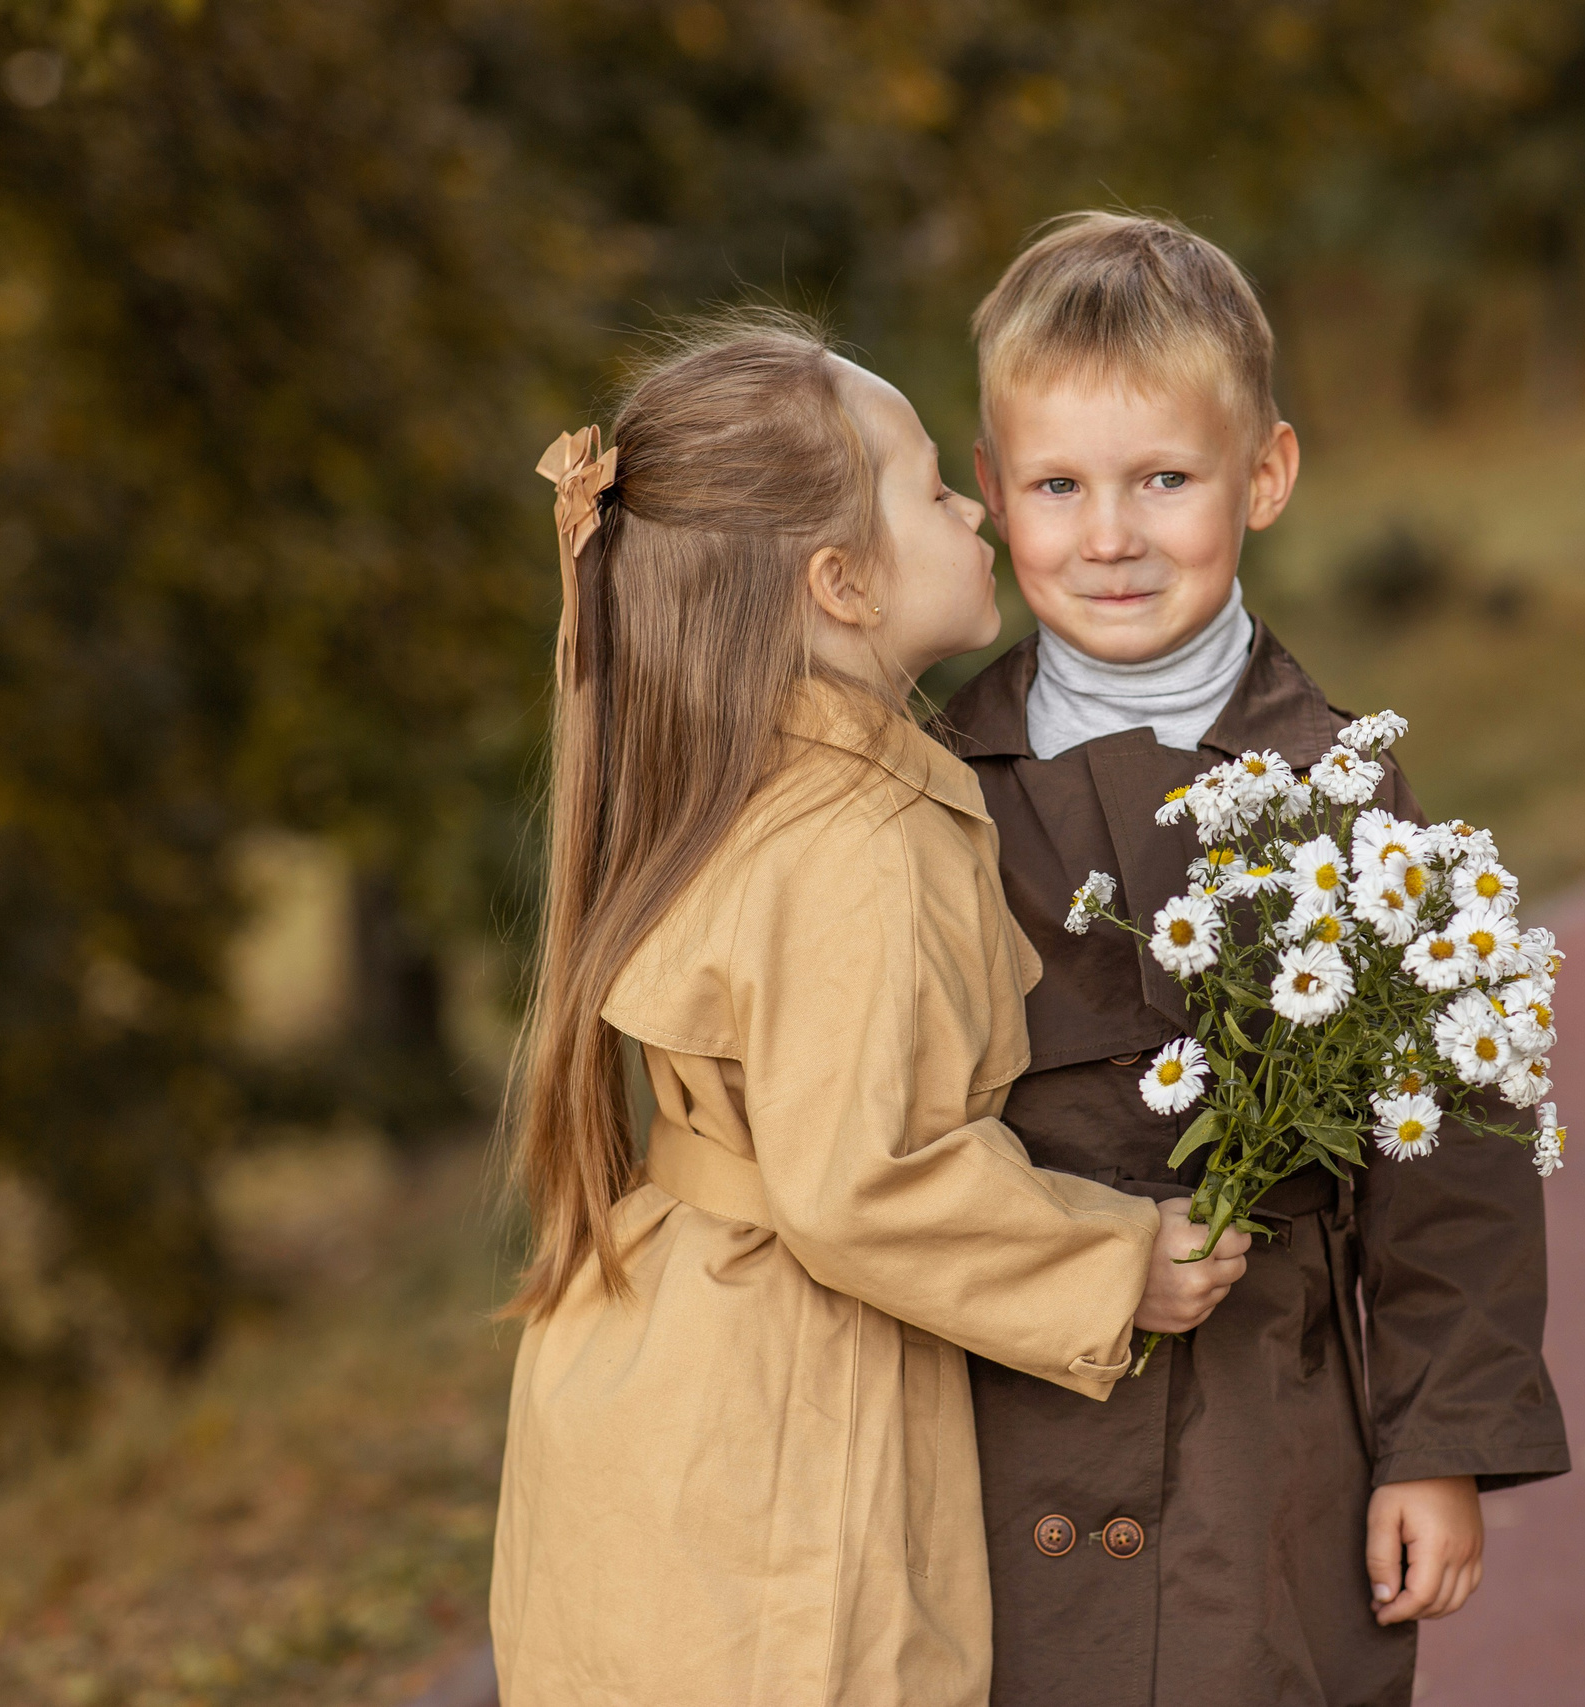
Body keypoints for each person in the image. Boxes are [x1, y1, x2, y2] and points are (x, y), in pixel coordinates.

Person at [487, 312, 1253, 1707]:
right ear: (841, 581)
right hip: (782, 1407)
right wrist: (1112, 1257)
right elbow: (862, 1178)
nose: (973, 503)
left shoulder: (725, 773)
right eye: (930, 483)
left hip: (653, 1363)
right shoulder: (858, 837)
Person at [936, 214, 1571, 1707]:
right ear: (991, 493)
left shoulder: (1342, 790)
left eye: (1164, 480)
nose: (1111, 535)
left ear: (1264, 476)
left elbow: (1455, 1159)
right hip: (995, 1416)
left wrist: (1439, 1447)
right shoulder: (932, 780)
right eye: (1058, 486)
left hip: (1261, 1428)